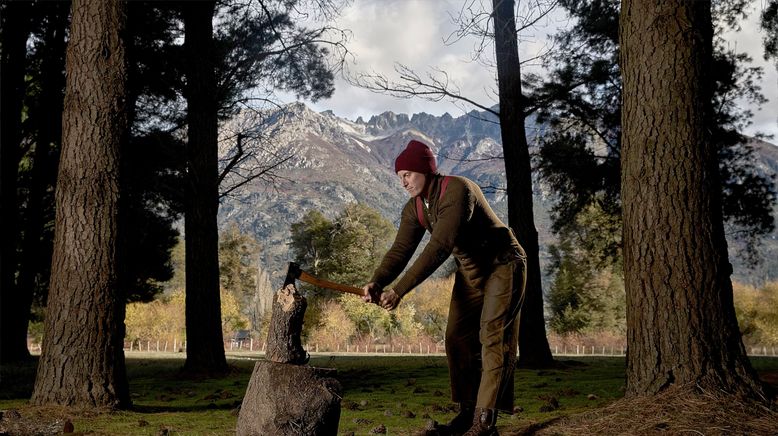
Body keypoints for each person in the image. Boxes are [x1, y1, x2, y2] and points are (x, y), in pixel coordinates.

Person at [362, 139, 527, 436]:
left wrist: (399, 291)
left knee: (492, 336)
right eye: (399, 177)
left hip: (503, 264)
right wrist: (378, 281)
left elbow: (439, 247)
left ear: (426, 169)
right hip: (471, 272)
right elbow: (400, 250)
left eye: (408, 174)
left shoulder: (458, 190)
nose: (403, 182)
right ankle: (466, 415)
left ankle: (484, 422)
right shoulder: (415, 208)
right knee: (456, 338)